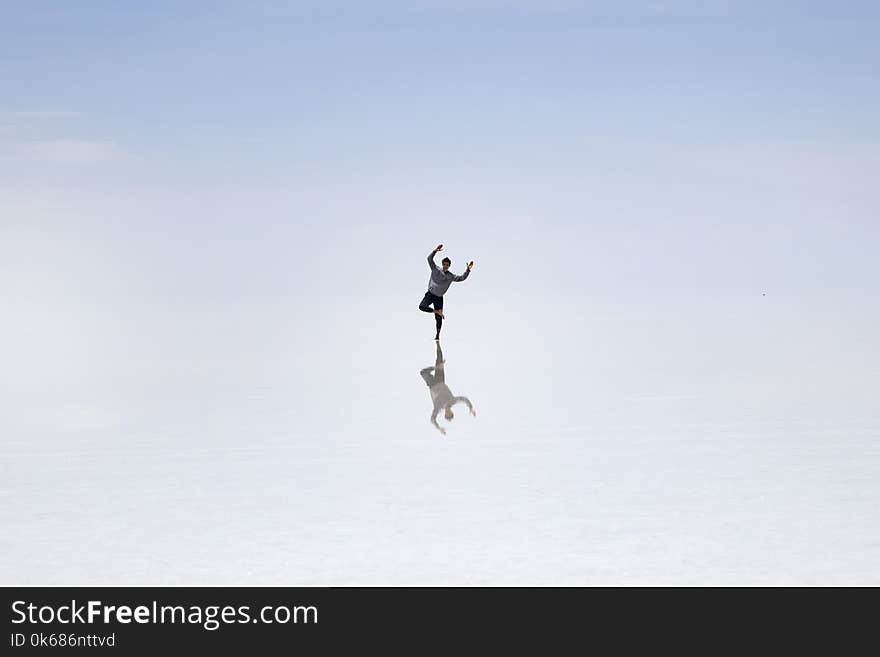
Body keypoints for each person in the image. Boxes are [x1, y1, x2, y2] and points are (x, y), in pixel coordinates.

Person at [418, 243, 474, 340]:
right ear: (442, 264)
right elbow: (429, 259)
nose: (445, 266)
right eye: (444, 264)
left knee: (438, 319)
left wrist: (468, 270)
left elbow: (462, 278)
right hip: (430, 294)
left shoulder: (450, 276)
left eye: (447, 265)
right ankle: (436, 311)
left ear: (449, 266)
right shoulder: (435, 269)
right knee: (422, 306)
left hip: (439, 298)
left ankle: (437, 335)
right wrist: (435, 251)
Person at [419, 342, 475, 435]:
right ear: (452, 412)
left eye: (446, 414)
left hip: (432, 384)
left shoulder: (438, 407)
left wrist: (438, 428)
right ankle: (437, 343)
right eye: (450, 413)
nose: (448, 412)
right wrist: (471, 408)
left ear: (445, 414)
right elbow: (464, 399)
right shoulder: (453, 401)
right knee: (440, 360)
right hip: (441, 380)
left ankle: (436, 367)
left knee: (423, 373)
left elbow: (432, 419)